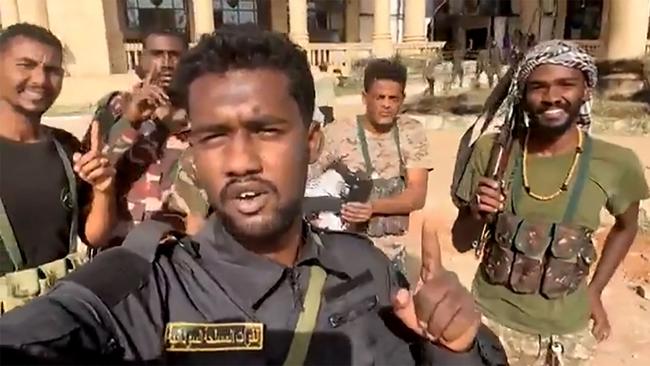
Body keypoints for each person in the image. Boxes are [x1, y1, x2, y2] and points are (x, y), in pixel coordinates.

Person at [0, 26, 500, 366]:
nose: (240, 161)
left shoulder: (365, 268)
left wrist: (453, 347)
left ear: (310, 144)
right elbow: (52, 327)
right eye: (214, 135)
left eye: (266, 130)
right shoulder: (145, 284)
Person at [451, 40, 650, 365]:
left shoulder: (616, 162)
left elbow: (626, 227)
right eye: (538, 87)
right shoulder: (494, 153)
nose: (551, 97)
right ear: (523, 94)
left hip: (563, 337)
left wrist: (595, 290)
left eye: (566, 85)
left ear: (586, 90)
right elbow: (460, 241)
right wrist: (476, 212)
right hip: (490, 323)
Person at [0, 24, 116, 313]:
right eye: (25, 65)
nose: (40, 79)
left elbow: (95, 236)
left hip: (58, 314)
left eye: (52, 70)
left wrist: (104, 190)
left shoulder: (66, 147)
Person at [308, 58, 434, 277]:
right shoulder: (339, 132)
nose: (386, 104)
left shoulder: (411, 132)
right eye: (379, 97)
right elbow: (308, 186)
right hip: (345, 257)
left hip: (392, 257)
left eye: (393, 98)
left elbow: (417, 195)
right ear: (365, 98)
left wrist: (372, 207)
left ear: (402, 99)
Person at [88, 28, 199, 243]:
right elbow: (95, 173)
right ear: (141, 60)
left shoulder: (206, 114)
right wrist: (131, 120)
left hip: (182, 250)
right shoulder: (114, 108)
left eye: (175, 55)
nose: (166, 63)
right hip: (121, 246)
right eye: (157, 54)